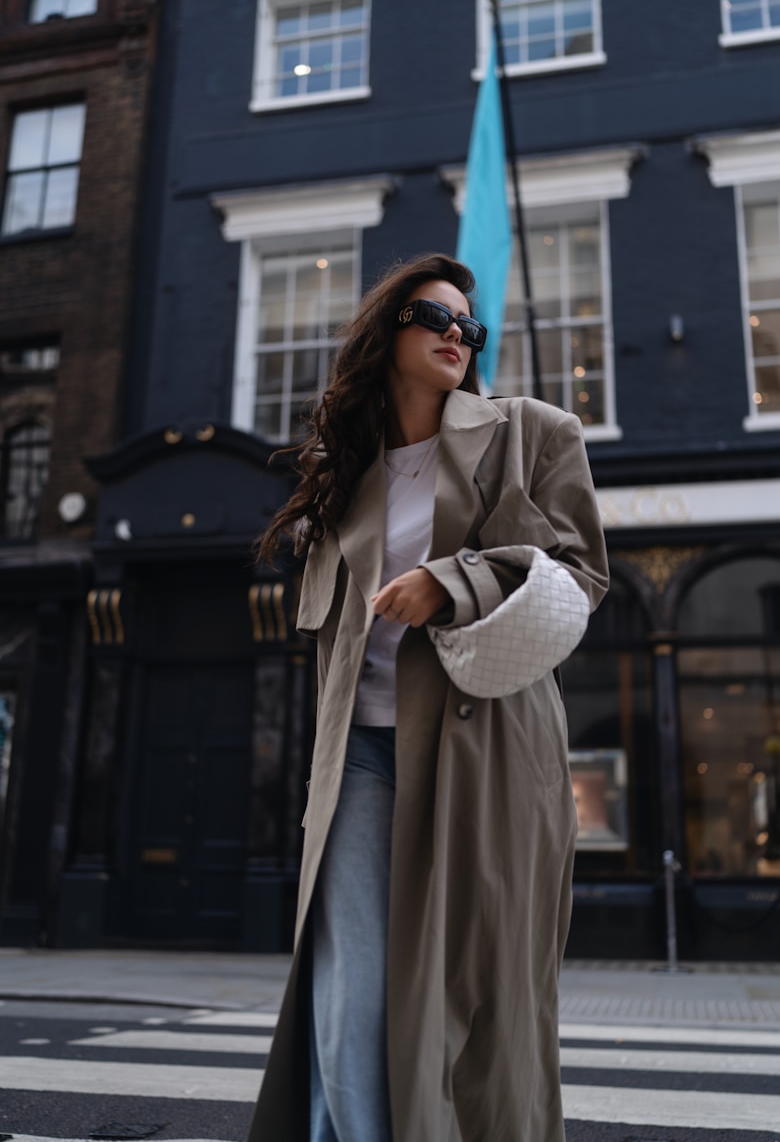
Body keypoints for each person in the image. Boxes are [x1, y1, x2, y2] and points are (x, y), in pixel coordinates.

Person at [248, 253, 609, 1142]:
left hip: (486, 750)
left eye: (469, 326)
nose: (456, 334)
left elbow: (582, 573)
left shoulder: (534, 431)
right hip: (360, 757)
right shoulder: (346, 472)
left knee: (474, 989)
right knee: (349, 979)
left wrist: (454, 580)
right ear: (386, 330)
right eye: (434, 316)